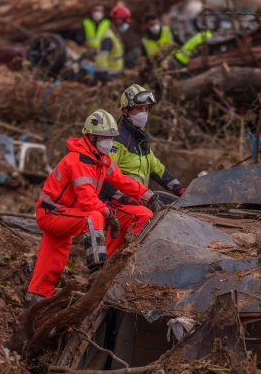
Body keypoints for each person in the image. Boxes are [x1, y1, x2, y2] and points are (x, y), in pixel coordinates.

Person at [25, 109, 161, 303]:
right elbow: (87, 200)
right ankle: (97, 271)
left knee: (53, 259)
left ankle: (35, 298)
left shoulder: (101, 160)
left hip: (63, 213)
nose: (109, 142)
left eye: (111, 138)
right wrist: (109, 214)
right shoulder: (79, 161)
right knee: (93, 217)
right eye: (105, 138)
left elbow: (123, 181)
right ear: (90, 137)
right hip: (52, 213)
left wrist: (150, 196)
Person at [100, 84, 185, 254]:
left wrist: (181, 190)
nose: (144, 114)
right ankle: (137, 262)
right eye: (139, 109)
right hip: (118, 202)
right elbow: (105, 176)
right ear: (126, 111)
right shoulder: (118, 140)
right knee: (146, 218)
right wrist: (126, 199)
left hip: (138, 199)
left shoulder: (141, 141)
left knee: (111, 253)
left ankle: (104, 273)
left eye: (146, 109)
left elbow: (158, 170)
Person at [94, 5, 131, 83]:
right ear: (118, 20)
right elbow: (102, 59)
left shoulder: (115, 36)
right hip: (107, 77)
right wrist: (105, 76)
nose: (126, 23)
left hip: (114, 74)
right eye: (124, 20)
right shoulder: (109, 37)